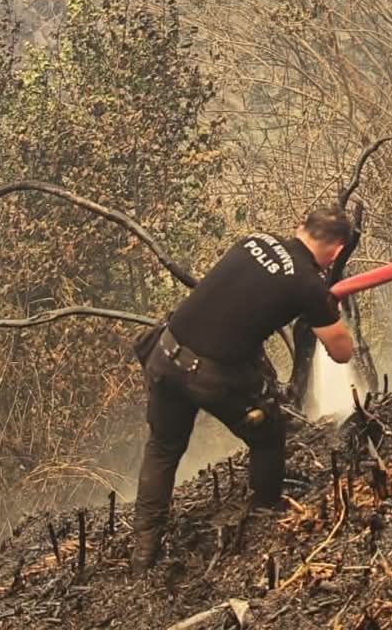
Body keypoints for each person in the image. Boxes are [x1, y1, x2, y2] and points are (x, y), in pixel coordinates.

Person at [131, 206, 355, 574]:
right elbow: (341, 352)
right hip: (210, 377)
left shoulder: (253, 241)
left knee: (162, 448)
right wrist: (327, 308)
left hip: (165, 354)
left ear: (300, 227)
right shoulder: (307, 283)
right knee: (268, 438)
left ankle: (143, 554)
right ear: (336, 251)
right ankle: (265, 515)